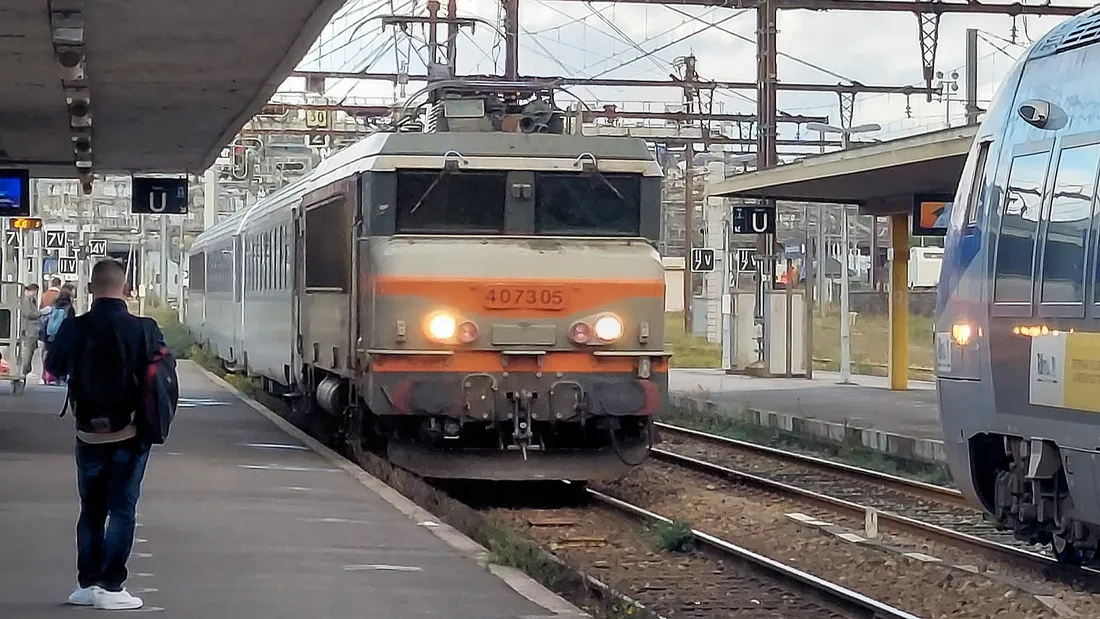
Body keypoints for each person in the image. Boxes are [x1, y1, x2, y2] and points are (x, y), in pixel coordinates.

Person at [46, 258, 167, 611]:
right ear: (126, 289)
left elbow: (53, 368)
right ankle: (112, 586)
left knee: (91, 508)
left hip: (88, 433)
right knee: (123, 507)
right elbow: (161, 376)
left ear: (89, 290)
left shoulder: (75, 327)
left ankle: (87, 584)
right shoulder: (145, 329)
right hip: (131, 432)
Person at [40, 289, 77, 385]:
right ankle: (61, 376)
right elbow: (71, 322)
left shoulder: (54, 307)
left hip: (50, 334)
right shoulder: (69, 308)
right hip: (62, 334)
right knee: (64, 354)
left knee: (48, 353)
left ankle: (47, 375)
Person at [20, 283, 41, 377]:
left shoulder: (32, 300)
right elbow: (28, 314)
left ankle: (26, 370)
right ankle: (24, 370)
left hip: (32, 330)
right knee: (28, 352)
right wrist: (40, 313)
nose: (35, 294)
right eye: (34, 291)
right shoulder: (26, 301)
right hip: (28, 329)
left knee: (30, 351)